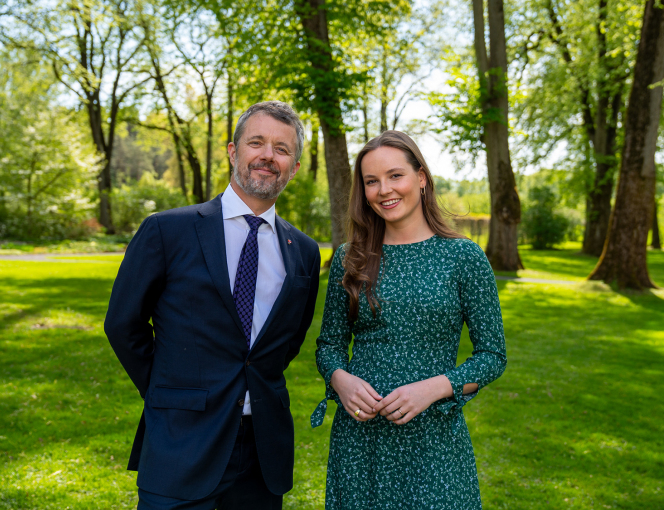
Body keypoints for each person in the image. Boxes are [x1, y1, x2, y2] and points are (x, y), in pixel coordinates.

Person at [104, 101, 321, 510]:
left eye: (281, 148)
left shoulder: (304, 252)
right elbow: (123, 324)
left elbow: (287, 341)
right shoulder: (167, 230)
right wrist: (169, 391)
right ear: (232, 151)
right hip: (180, 441)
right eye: (256, 142)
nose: (267, 156)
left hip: (262, 452)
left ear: (293, 167)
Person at [310, 131, 507, 509]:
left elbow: (492, 356)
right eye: (371, 181)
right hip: (360, 440)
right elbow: (329, 345)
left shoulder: (462, 257)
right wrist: (341, 380)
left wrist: (435, 388)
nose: (384, 189)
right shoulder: (350, 257)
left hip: (433, 439)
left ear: (421, 177)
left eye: (395, 175)